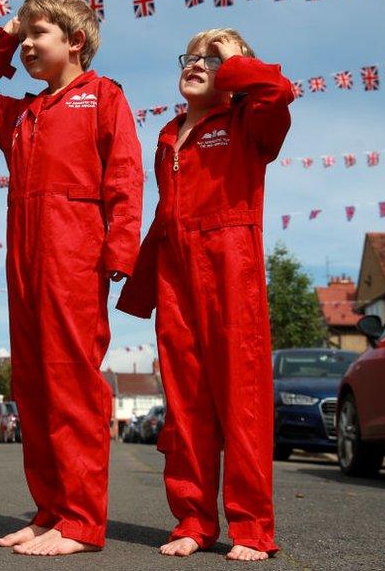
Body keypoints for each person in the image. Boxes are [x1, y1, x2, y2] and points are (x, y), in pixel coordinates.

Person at [0, 0, 143, 556]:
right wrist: (4, 38)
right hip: (24, 259)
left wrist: (119, 254)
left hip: (74, 257)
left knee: (71, 385)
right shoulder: (23, 114)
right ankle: (51, 511)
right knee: (33, 388)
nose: (29, 44)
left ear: (75, 41)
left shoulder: (104, 97)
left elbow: (126, 176)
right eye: (25, 36)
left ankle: (83, 522)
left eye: (39, 33)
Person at [116, 28, 293, 562]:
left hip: (229, 266)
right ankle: (193, 519)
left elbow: (277, 93)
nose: (197, 63)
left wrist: (234, 62)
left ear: (236, 71)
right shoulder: (168, 136)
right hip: (175, 275)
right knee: (185, 404)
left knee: (242, 400)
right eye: (191, 56)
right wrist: (138, 277)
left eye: (210, 59)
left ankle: (251, 527)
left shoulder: (249, 121)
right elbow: (165, 218)